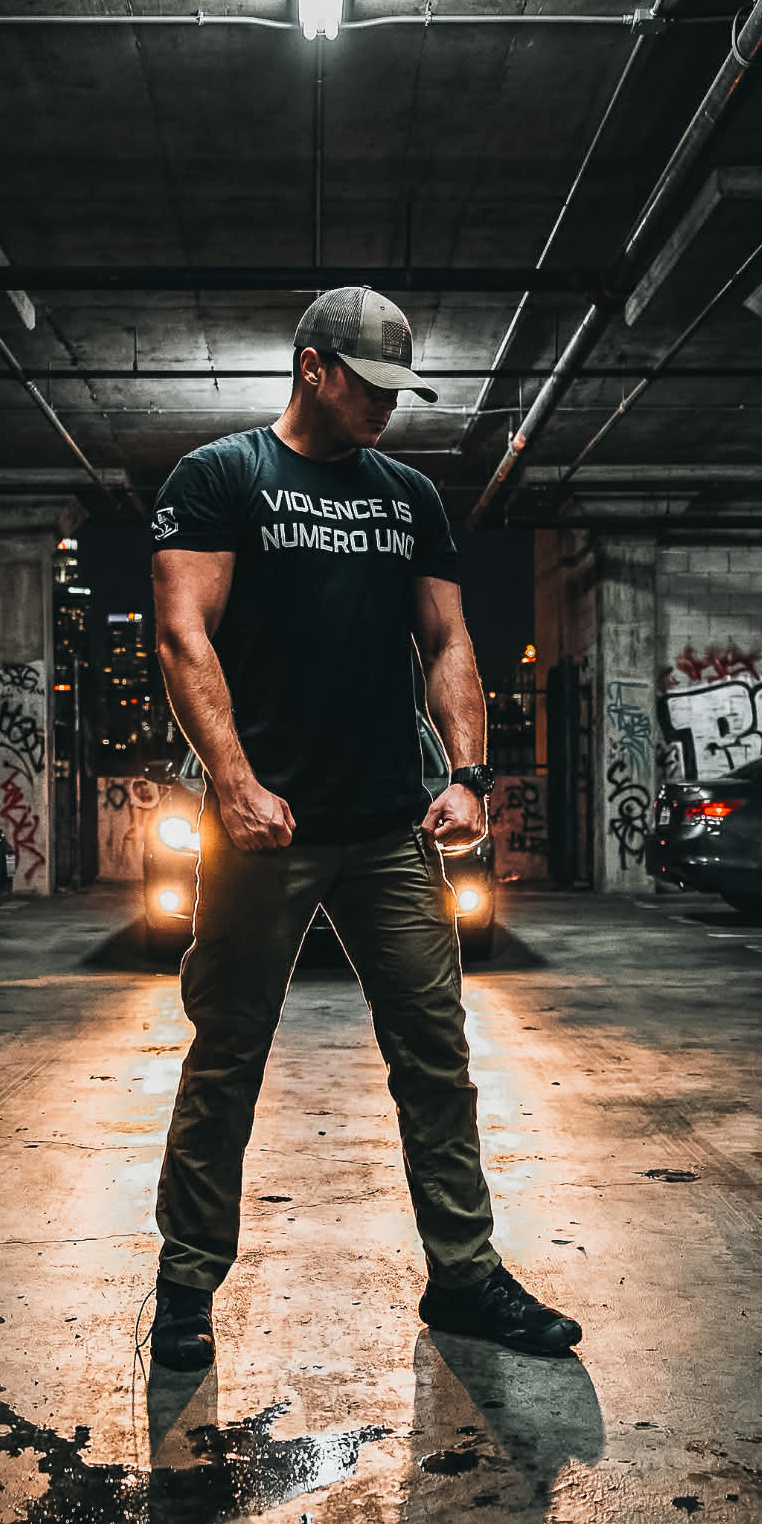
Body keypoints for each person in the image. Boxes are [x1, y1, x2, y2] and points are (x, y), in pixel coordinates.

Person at [146, 285, 582, 1372]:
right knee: (228, 1056)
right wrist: (236, 784)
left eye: (401, 389)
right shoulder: (221, 478)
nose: (390, 408)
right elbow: (180, 633)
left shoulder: (408, 497)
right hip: (265, 829)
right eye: (371, 385)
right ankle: (187, 1283)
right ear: (312, 368)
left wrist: (470, 773)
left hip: (390, 827)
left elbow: (447, 642)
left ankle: (467, 1277)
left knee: (436, 1056)